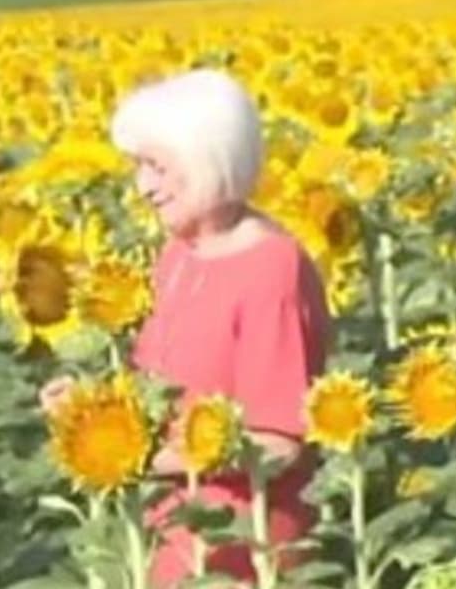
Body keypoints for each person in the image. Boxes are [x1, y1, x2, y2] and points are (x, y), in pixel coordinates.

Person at [40, 69, 330, 586]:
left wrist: (132, 459)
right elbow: (167, 390)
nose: (143, 187)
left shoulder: (270, 268)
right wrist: (93, 414)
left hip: (242, 545)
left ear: (209, 161)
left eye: (157, 167)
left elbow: (278, 442)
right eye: (139, 167)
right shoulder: (180, 251)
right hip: (169, 535)